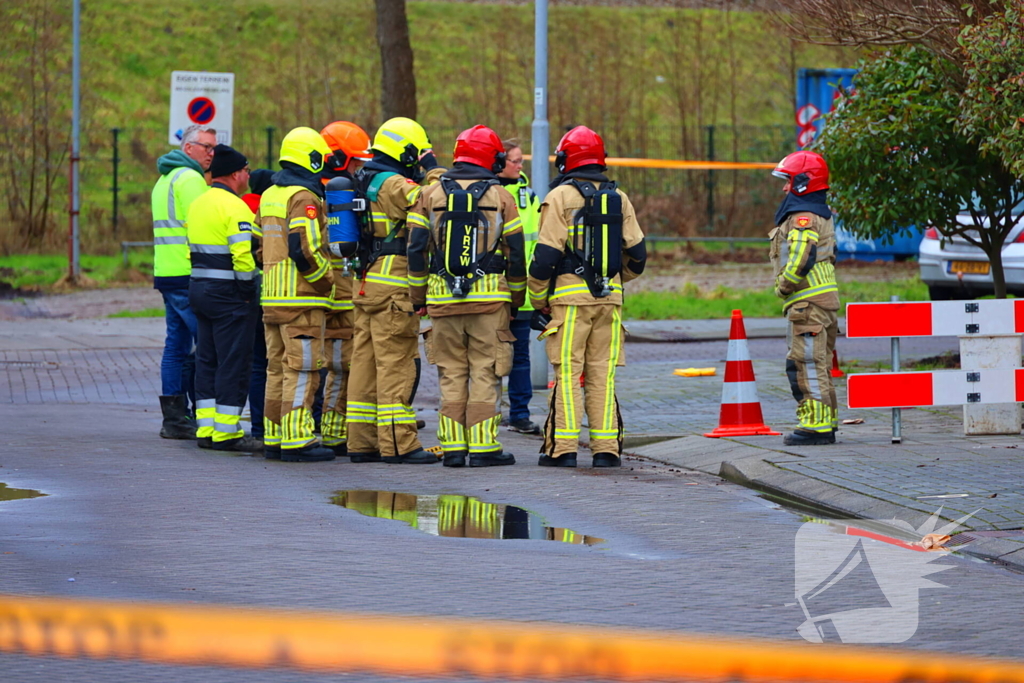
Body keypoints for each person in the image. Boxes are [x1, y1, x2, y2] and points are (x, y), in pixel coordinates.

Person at [527, 125, 647, 468]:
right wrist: (612, 279)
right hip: (610, 302)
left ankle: (563, 450)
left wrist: (538, 300)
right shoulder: (619, 198)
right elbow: (638, 257)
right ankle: (606, 450)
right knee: (601, 375)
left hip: (568, 303)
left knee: (568, 374)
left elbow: (546, 256)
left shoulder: (560, 197)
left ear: (565, 160)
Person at [408, 125, 526, 468]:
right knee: (486, 373)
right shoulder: (501, 197)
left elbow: (416, 249)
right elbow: (516, 253)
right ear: (493, 158)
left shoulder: (428, 195)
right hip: (490, 304)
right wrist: (516, 299)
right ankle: (484, 446)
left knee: (451, 374)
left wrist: (419, 297)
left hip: (442, 303)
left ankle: (454, 447)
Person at [347, 117, 445, 464]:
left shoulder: (363, 177)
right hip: (393, 286)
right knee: (396, 364)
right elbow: (436, 201)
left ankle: (361, 441)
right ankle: (398, 444)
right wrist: (433, 170)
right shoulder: (392, 183)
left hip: (366, 283)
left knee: (364, 364)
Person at [252, 127, 336, 463]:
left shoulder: (270, 194)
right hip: (301, 301)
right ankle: (298, 439)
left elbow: (255, 246)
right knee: (302, 370)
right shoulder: (304, 198)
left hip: (272, 299)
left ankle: (274, 436)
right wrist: (325, 282)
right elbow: (303, 249)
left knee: (276, 369)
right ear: (312, 159)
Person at [186, 145, 262, 452]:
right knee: (233, 361)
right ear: (234, 175)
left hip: (199, 289)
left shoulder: (198, 204)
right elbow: (243, 256)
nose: (247, 175)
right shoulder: (237, 208)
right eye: (245, 170)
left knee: (207, 358)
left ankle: (206, 426)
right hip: (229, 294)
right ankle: (228, 430)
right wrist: (248, 291)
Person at [769, 150, 839, 446]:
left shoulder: (803, 218)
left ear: (803, 182)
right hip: (819, 301)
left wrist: (784, 286)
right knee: (818, 363)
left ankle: (815, 426)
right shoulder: (816, 213)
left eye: (789, 181)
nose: (785, 187)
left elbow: (800, 257)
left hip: (806, 304)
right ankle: (826, 421)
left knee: (805, 362)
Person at [151, 124, 214, 439]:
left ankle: (175, 418)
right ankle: (202, 414)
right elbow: (204, 226)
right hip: (188, 273)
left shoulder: (165, 179)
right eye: (206, 147)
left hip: (167, 272)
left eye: (214, 148)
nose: (211, 154)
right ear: (188, 148)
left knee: (176, 346)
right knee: (205, 344)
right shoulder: (190, 179)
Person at [317, 120, 374, 457]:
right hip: (340, 296)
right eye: (355, 161)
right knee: (341, 366)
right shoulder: (338, 194)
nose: (358, 168)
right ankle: (334, 432)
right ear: (339, 158)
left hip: (328, 294)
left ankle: (328, 429)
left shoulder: (314, 190)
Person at [497, 139, 542, 435]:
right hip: (495, 290)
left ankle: (519, 414)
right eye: (515, 161)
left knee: (520, 357)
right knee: (489, 355)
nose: (520, 166)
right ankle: (486, 412)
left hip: (522, 290)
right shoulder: (490, 194)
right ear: (500, 162)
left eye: (521, 161)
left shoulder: (529, 196)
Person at [240, 168, 274, 445]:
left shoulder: (241, 207)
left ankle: (258, 427)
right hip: (272, 293)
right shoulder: (268, 208)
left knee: (255, 366)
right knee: (275, 364)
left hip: (248, 294)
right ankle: (273, 427)